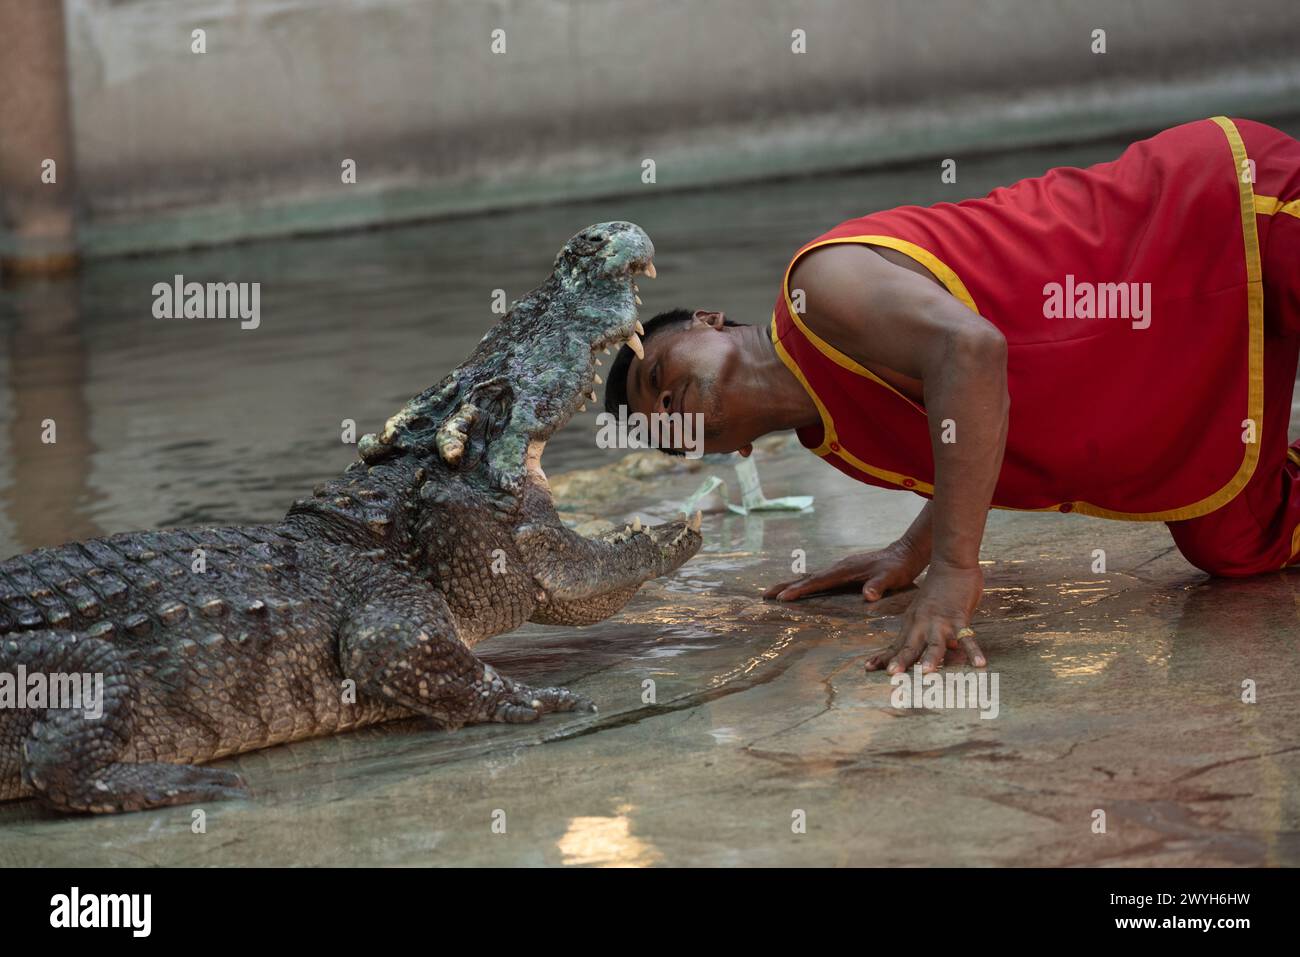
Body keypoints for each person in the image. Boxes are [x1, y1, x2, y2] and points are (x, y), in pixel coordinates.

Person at [601, 116, 1300, 674]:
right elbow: (970, 425)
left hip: (1211, 215)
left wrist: (955, 567)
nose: (667, 408)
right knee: (1236, 540)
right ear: (733, 449)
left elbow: (968, 352)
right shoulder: (835, 440)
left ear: (708, 323)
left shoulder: (817, 288)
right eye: (670, 428)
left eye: (657, 376)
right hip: (1180, 360)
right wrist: (913, 548)